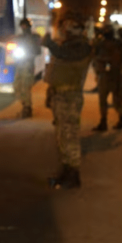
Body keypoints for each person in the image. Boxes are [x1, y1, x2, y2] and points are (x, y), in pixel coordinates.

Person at [42, 11, 92, 189]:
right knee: (62, 136)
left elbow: (66, 55)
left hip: (69, 97)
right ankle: (66, 170)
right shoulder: (67, 45)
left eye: (67, 28)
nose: (64, 31)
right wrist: (50, 93)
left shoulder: (81, 47)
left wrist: (50, 44)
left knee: (70, 136)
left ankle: (73, 174)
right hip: (60, 95)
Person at [92, 23, 122, 131]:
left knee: (104, 99)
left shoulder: (101, 44)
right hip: (115, 74)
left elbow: (95, 58)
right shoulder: (119, 44)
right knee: (116, 99)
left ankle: (104, 121)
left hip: (107, 75)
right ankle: (120, 118)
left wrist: (97, 71)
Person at [12, 18, 42, 119]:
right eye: (22, 26)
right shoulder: (20, 37)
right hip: (20, 64)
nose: (23, 27)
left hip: (28, 64)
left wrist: (30, 52)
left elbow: (38, 51)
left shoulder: (34, 37)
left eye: (25, 25)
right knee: (17, 86)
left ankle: (27, 108)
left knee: (25, 87)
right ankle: (25, 104)